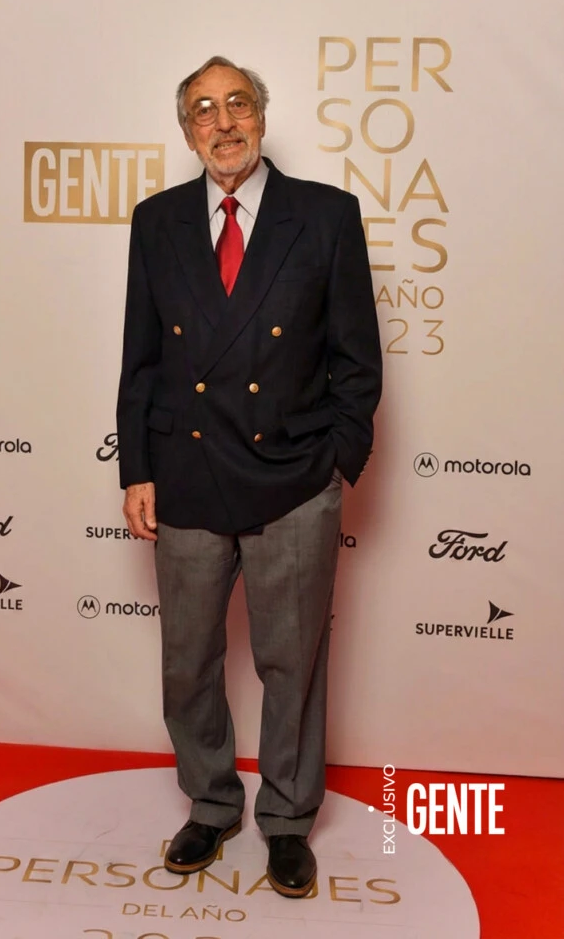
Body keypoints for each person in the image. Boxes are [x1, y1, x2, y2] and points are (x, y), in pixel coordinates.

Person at [117, 55, 382, 898]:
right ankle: (210, 802)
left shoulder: (325, 214)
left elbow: (356, 358)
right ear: (186, 129)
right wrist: (137, 467)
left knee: (290, 662)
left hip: (295, 475)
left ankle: (289, 819)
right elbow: (140, 358)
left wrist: (335, 459)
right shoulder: (157, 220)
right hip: (187, 471)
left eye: (237, 104)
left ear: (261, 118)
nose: (222, 122)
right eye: (204, 109)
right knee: (188, 659)